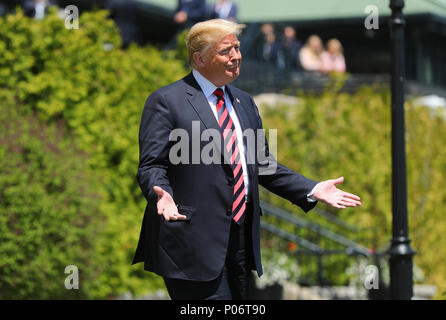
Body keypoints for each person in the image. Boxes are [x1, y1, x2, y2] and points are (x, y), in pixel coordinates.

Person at [132, 19, 361, 300]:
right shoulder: (167, 101)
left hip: (240, 240)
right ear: (199, 59)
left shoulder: (244, 102)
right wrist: (162, 195)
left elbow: (263, 165)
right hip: (190, 243)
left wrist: (311, 189)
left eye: (237, 48)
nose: (236, 56)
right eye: (226, 51)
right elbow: (151, 165)